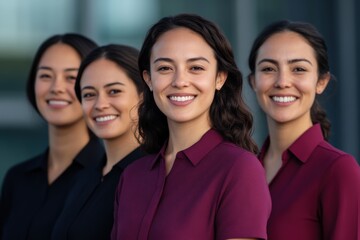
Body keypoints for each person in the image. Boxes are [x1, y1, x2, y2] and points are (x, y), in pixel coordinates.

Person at [111, 13, 271, 240]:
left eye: (195, 68)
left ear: (220, 78)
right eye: (165, 68)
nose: (179, 81)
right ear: (148, 79)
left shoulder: (239, 170)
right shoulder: (132, 176)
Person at [247, 20, 360, 240]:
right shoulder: (246, 168)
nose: (282, 81)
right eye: (269, 69)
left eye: (298, 69)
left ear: (321, 82)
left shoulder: (338, 170)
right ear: (253, 81)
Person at [0, 34, 104, 240]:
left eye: (71, 77)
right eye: (46, 76)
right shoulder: (18, 178)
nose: (56, 87)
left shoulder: (111, 178)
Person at [51, 44, 147, 240]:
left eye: (114, 91)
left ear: (143, 97)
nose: (100, 104)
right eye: (89, 95)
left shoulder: (155, 175)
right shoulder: (83, 177)